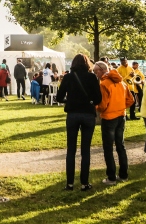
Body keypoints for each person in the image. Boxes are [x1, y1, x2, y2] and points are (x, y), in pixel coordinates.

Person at [55, 54, 103, 191]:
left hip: (73, 114)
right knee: (85, 150)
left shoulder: (69, 77)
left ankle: (69, 183)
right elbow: (98, 98)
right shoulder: (92, 77)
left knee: (71, 150)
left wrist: (69, 101)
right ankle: (84, 183)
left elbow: (59, 97)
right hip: (88, 114)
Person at [98, 63, 134, 184]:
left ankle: (111, 177)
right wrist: (121, 107)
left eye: (96, 72)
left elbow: (103, 105)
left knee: (108, 148)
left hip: (109, 118)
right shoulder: (122, 82)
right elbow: (131, 100)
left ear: (101, 71)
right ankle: (124, 175)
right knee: (120, 146)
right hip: (121, 116)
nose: (95, 74)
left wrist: (97, 108)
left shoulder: (104, 84)